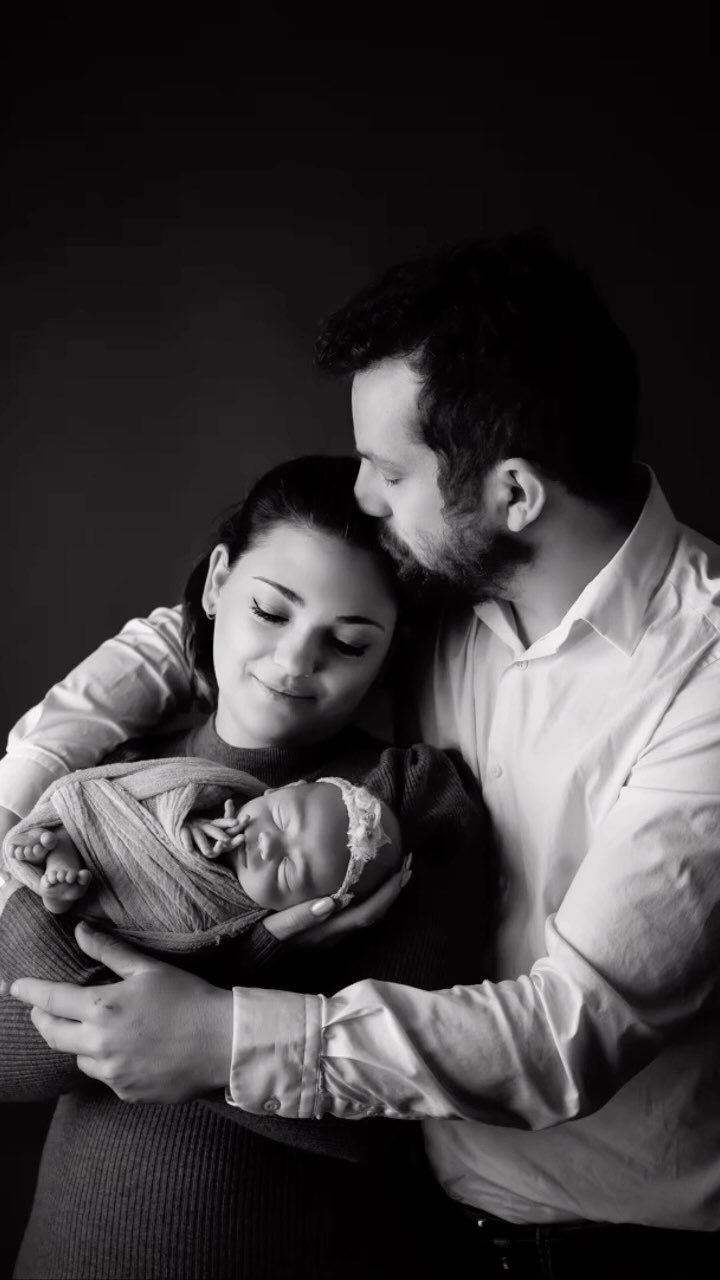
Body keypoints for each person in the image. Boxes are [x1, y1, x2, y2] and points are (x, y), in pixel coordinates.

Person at [3, 230, 719, 1277]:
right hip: (433, 1223)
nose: (368, 498)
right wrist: (21, 795)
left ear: (514, 495)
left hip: (617, 1244)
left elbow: (576, 1028)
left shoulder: (701, 673)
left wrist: (224, 1037)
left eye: (390, 471)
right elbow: (204, 627)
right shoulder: (442, 587)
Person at [0, 454, 495, 1280]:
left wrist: (183, 1026)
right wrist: (250, 966)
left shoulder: (403, 804)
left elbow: (379, 1117)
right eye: (270, 610)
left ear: (390, 650)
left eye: (347, 641)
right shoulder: (122, 772)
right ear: (219, 581)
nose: (296, 664)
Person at [3, 759, 402, 929]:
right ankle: (60, 849)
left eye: (287, 871)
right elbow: (168, 789)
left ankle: (59, 895)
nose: (265, 844)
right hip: (108, 827)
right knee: (73, 836)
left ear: (297, 909)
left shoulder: (232, 913)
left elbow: (195, 944)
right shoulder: (224, 792)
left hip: (120, 905)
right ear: (285, 788)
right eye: (281, 817)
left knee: (73, 904)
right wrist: (185, 821)